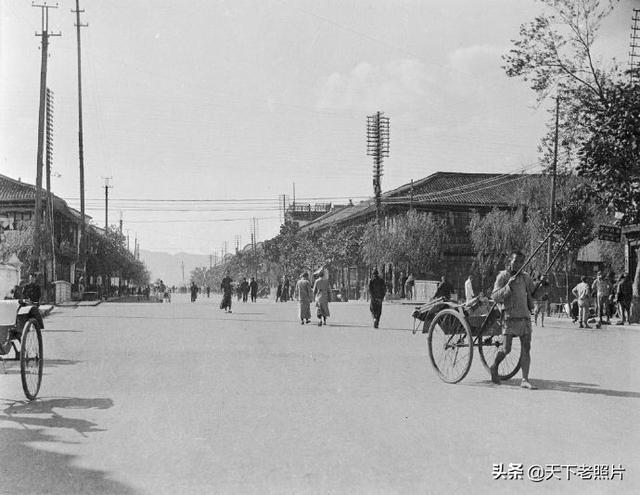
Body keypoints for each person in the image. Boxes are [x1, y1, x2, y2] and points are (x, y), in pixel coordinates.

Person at [490, 251, 537, 389]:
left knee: (526, 348)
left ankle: (525, 379)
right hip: (509, 318)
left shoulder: (526, 277)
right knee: (506, 349)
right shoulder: (503, 276)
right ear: (510, 261)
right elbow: (495, 296)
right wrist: (508, 286)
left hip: (524, 317)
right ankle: (494, 366)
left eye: (521, 262)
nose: (518, 264)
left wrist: (543, 284)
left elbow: (534, 293)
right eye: (516, 261)